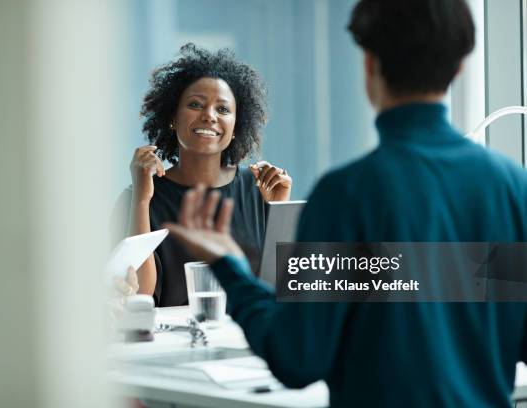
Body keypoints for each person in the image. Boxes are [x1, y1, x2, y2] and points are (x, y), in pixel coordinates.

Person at [164, 1, 527, 407]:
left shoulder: (346, 194)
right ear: (458, 68)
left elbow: (298, 358)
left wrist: (228, 267)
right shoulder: (513, 189)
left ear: (369, 65)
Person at [113, 43, 292, 307]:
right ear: (172, 117)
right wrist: (141, 200)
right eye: (195, 104)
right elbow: (140, 297)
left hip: (246, 345)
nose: (209, 116)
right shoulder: (139, 195)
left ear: (235, 127)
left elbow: (282, 291)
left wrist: (280, 211)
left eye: (222, 109)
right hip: (170, 348)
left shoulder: (259, 189)